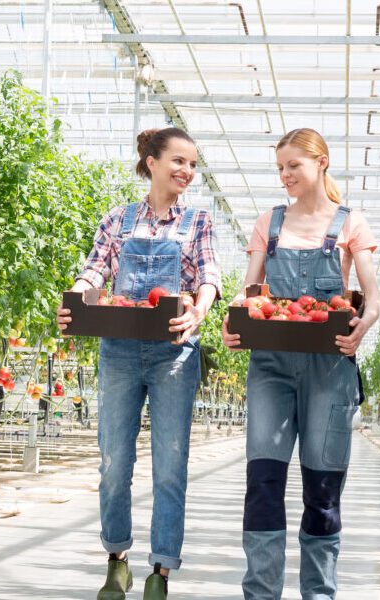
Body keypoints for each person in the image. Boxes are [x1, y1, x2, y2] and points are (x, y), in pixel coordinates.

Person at [57, 127, 221, 599]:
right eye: (178, 161)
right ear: (151, 161)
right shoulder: (118, 220)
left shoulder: (198, 223)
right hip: (120, 350)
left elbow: (208, 275)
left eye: (192, 164)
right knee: (114, 460)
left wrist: (199, 309)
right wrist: (79, 298)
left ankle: (161, 571)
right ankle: (117, 560)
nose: (186, 171)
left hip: (174, 354)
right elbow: (95, 269)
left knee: (170, 465)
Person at [222, 128, 380, 600]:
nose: (286, 175)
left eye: (294, 165)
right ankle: (261, 593)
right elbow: (248, 290)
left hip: (330, 368)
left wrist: (363, 325)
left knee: (323, 487)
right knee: (263, 482)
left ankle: (319, 594)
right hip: (271, 365)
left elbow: (372, 300)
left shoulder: (350, 223)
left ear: (322, 163)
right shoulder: (268, 222)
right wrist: (234, 322)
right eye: (280, 168)